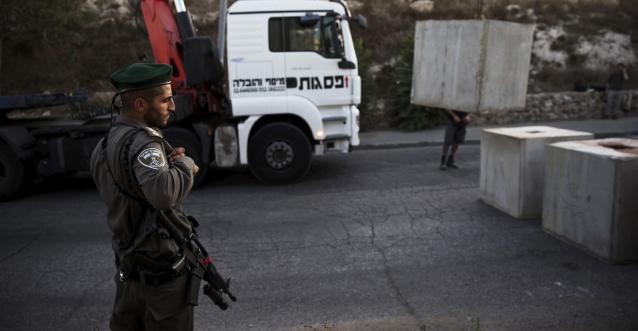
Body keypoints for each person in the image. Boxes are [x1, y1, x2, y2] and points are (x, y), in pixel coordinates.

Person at [90, 63, 200, 330]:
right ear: (140, 104)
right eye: (165, 99)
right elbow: (163, 195)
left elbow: (131, 191)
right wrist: (185, 166)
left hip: (129, 275)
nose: (172, 106)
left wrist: (167, 168)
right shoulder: (145, 144)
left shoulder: (104, 145)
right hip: (161, 284)